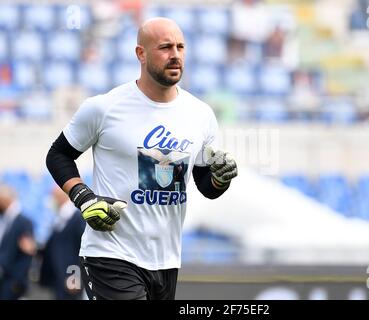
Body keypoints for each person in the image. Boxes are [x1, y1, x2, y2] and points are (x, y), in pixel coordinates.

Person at [46, 17, 238, 300]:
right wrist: (83, 197)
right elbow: (58, 155)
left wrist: (220, 179)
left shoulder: (201, 114)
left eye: (180, 47)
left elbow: (206, 186)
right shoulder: (104, 108)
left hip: (166, 260)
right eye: (165, 47)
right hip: (110, 254)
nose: (175, 55)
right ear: (141, 53)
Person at [39, 186, 85, 300]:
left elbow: (81, 249)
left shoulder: (77, 217)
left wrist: (75, 276)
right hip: (59, 276)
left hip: (71, 277)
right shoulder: (60, 218)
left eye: (53, 196)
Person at [0, 184, 36, 300]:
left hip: (12, 283)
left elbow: (27, 255)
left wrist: (18, 282)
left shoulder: (23, 222)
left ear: (5, 199)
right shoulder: (6, 219)